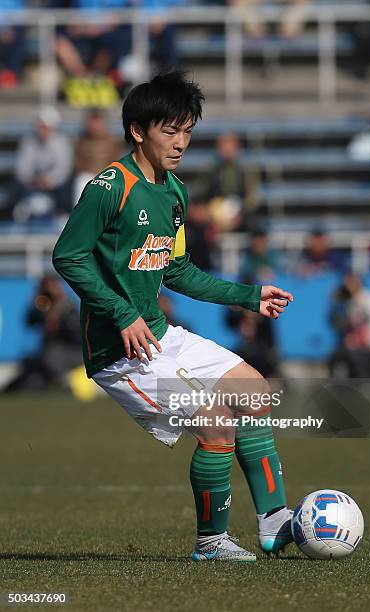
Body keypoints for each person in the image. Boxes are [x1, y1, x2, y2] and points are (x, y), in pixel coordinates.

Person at [52, 71, 294, 562]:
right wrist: (121, 313)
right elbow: (68, 256)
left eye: (187, 131)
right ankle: (211, 542)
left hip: (160, 335)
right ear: (138, 130)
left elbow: (178, 271)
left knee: (253, 392)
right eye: (170, 130)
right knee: (217, 423)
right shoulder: (109, 187)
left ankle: (274, 521)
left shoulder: (176, 193)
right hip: (120, 353)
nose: (181, 143)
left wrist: (249, 296)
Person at [4, 275, 83, 392]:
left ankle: (64, 386)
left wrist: (59, 323)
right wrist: (37, 301)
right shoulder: (42, 304)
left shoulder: (67, 306)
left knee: (52, 357)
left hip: (72, 352)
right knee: (32, 364)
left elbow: (76, 335)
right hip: (50, 351)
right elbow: (29, 321)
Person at [10, 106, 73, 221]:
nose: (43, 130)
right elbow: (22, 169)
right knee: (16, 186)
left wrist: (49, 179)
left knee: (66, 188)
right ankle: (16, 212)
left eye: (46, 127)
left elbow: (63, 168)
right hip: (32, 183)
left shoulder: (61, 142)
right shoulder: (28, 142)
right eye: (41, 126)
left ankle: (63, 213)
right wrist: (33, 179)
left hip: (55, 185)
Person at [328, 273, 370, 378]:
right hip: (359, 346)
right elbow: (342, 322)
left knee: (358, 361)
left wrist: (361, 340)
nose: (346, 287)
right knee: (337, 357)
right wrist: (335, 301)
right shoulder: (351, 302)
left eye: (349, 283)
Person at [73, 108, 123, 204]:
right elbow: (77, 162)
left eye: (97, 123)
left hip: (107, 175)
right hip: (87, 175)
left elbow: (117, 161)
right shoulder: (81, 140)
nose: (94, 126)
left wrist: (104, 173)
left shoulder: (112, 141)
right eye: (92, 123)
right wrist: (89, 170)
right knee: (81, 181)